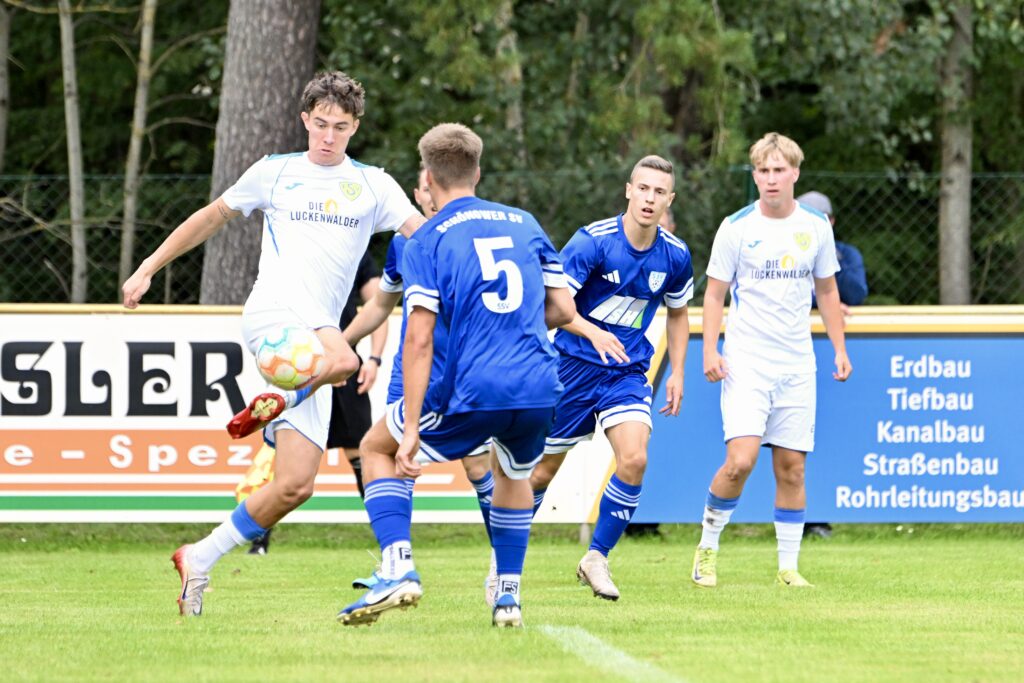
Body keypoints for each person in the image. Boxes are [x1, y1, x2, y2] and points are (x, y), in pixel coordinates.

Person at [121, 71, 425, 616]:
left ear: (355, 127)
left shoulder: (375, 184)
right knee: (346, 358)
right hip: (275, 317)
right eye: (321, 124)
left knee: (294, 485)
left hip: (316, 338)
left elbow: (424, 236)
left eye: (341, 127)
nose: (329, 136)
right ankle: (282, 398)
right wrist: (148, 266)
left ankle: (199, 556)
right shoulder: (275, 172)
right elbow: (211, 217)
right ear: (305, 119)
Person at [337, 123, 575, 629]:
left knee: (378, 447)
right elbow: (562, 308)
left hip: (472, 385)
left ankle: (398, 564)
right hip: (536, 384)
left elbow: (419, 340)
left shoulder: (427, 238)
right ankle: (508, 596)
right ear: (478, 171)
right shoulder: (525, 222)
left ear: (427, 177)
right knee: (513, 476)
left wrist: (414, 428)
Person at [529, 155, 694, 601]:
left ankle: (596, 557)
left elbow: (679, 316)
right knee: (541, 472)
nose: (650, 198)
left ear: (669, 200)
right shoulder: (592, 242)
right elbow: (552, 307)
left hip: (626, 371)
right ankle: (502, 562)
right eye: (643, 188)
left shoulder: (676, 255)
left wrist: (678, 370)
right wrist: (591, 331)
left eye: (659, 192)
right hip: (571, 368)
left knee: (635, 458)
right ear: (628, 190)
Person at [691, 132, 851, 590]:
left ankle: (788, 566)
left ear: (795, 173)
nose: (771, 178)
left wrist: (839, 348)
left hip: (797, 363)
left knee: (792, 467)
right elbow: (716, 293)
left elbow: (827, 290)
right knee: (740, 461)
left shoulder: (817, 225)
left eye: (779, 170)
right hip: (746, 361)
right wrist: (710, 349)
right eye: (763, 171)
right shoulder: (736, 227)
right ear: (755, 176)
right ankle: (707, 546)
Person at [342, 169, 499, 597]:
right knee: (392, 459)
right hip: (411, 372)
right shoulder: (403, 242)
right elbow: (379, 306)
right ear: (416, 194)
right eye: (424, 189)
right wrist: (342, 343)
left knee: (478, 467)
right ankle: (397, 563)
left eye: (437, 187)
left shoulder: (479, 237)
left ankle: (501, 564)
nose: (431, 196)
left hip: (464, 373)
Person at [234, 250, 388, 555]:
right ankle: (259, 538)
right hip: (299, 368)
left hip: (345, 364)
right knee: (286, 459)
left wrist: (373, 358)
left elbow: (377, 303)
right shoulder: (293, 250)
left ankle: (389, 538)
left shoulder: (355, 251)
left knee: (362, 450)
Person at [797, 190, 867, 539]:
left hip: (828, 357)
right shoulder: (784, 248)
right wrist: (819, 299)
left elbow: (856, 293)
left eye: (821, 219)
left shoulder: (847, 253)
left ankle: (816, 519)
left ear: (832, 222)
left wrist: (827, 270)